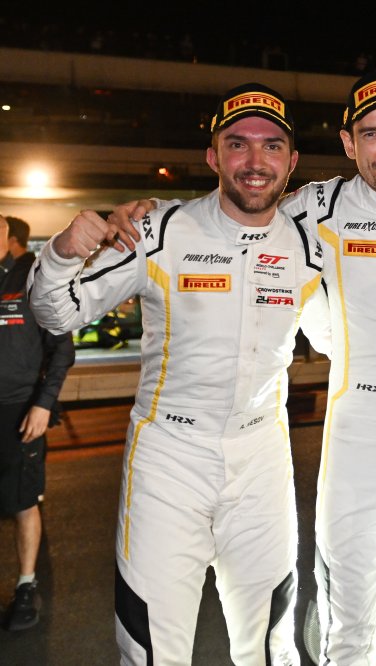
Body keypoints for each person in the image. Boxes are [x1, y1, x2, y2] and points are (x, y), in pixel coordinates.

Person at [106, 72, 376, 666]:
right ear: (348, 143)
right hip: (357, 425)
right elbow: (238, 216)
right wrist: (152, 212)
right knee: (347, 631)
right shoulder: (313, 209)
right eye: (371, 134)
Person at [28, 82, 330, 665]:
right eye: (237, 144)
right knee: (151, 651)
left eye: (271, 146)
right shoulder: (160, 230)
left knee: (272, 647)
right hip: (169, 459)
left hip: (263, 458)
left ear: (292, 161)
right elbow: (56, 313)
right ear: (213, 157)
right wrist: (63, 252)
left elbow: (354, 327)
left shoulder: (310, 243)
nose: (255, 160)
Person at [0, 215, 75, 632]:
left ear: (6, 235)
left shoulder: (32, 278)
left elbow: (62, 349)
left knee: (23, 502)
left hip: (19, 411)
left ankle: (26, 585)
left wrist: (44, 405)